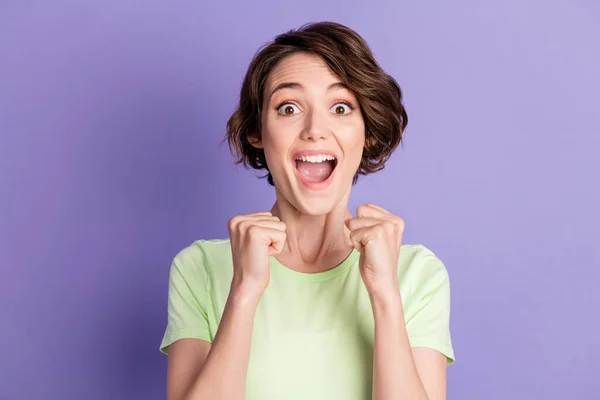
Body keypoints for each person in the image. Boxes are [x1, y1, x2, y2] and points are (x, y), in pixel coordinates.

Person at [159, 21, 455, 400]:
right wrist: (245, 292)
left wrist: (385, 295)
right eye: (289, 107)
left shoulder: (416, 274)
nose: (316, 129)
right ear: (257, 132)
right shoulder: (198, 268)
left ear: (367, 132)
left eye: (341, 107)